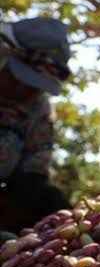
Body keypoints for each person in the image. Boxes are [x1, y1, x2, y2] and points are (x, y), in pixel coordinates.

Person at [0, 17, 72, 236]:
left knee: (51, 201)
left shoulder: (37, 108)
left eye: (34, 86)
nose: (26, 91)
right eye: (18, 78)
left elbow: (34, 171)